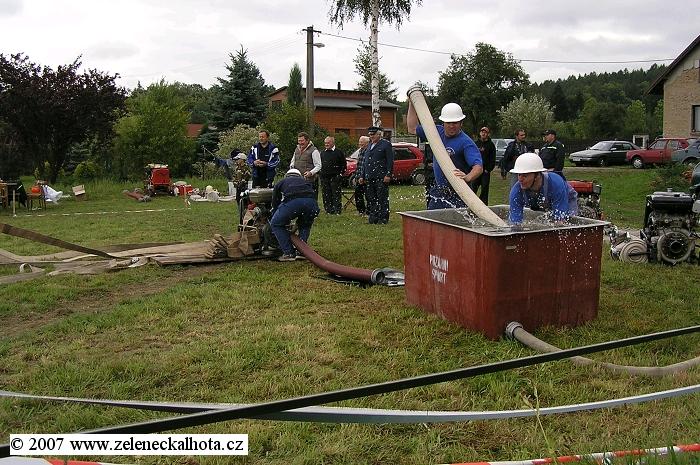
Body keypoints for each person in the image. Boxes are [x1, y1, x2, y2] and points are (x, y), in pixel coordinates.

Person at [407, 101, 483, 209]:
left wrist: (468, 177)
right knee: (433, 218)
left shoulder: (466, 142)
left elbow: (478, 167)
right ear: (443, 122)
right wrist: (412, 103)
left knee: (456, 219)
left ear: (461, 123)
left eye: (455, 123)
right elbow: (412, 128)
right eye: (448, 123)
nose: (451, 126)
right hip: (439, 191)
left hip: (459, 193)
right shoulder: (436, 132)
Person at [508, 152, 578, 224]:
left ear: (537, 175)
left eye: (525, 176)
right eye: (519, 175)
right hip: (543, 203)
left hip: (567, 200)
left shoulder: (556, 184)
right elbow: (515, 222)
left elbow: (560, 221)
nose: (520, 179)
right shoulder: (516, 192)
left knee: (569, 223)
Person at [269, 169, 320, 262]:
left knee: (276, 224)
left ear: (286, 176)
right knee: (304, 225)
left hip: (294, 202)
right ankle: (302, 252)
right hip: (312, 204)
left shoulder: (281, 182)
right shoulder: (306, 182)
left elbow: (275, 202)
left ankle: (289, 253)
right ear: (299, 176)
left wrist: (275, 215)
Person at [358, 126, 394, 224]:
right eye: (370, 135)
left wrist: (388, 174)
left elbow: (390, 161)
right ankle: (373, 217)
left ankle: (383, 218)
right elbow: (366, 162)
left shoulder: (386, 145)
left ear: (379, 135)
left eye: (373, 134)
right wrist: (362, 175)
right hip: (370, 177)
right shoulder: (369, 145)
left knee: (382, 198)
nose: (371, 136)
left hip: (381, 176)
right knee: (371, 198)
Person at [289, 132, 322, 199]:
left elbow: (319, 165)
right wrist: (292, 168)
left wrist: (311, 172)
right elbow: (293, 161)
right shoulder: (296, 149)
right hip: (297, 179)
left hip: (310, 181)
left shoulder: (314, 150)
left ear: (307, 140)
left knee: (310, 198)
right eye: (299, 141)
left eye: (302, 141)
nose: (300, 143)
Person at [319, 136, 346, 215]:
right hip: (324, 177)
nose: (326, 144)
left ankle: (337, 210)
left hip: (335, 177)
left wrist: (340, 174)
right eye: (325, 143)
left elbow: (344, 165)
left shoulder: (339, 152)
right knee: (326, 194)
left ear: (333, 143)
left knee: (336, 194)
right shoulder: (322, 153)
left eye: (328, 143)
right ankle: (328, 210)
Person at [469, 126, 496, 205]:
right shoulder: (475, 143)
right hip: (476, 170)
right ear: (480, 133)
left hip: (485, 171)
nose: (483, 133)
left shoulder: (491, 145)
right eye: (482, 132)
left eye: (485, 132)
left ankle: (483, 205)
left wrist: (488, 169)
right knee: (473, 188)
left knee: (484, 189)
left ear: (488, 134)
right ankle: (472, 204)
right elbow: (471, 155)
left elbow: (492, 159)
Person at [353, 135, 369, 215]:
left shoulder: (368, 152)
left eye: (362, 142)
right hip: (358, 176)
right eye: (359, 142)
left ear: (367, 143)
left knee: (368, 195)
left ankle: (369, 211)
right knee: (358, 195)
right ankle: (361, 211)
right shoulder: (360, 151)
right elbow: (359, 165)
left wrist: (363, 177)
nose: (360, 143)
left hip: (365, 178)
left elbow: (366, 166)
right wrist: (356, 176)